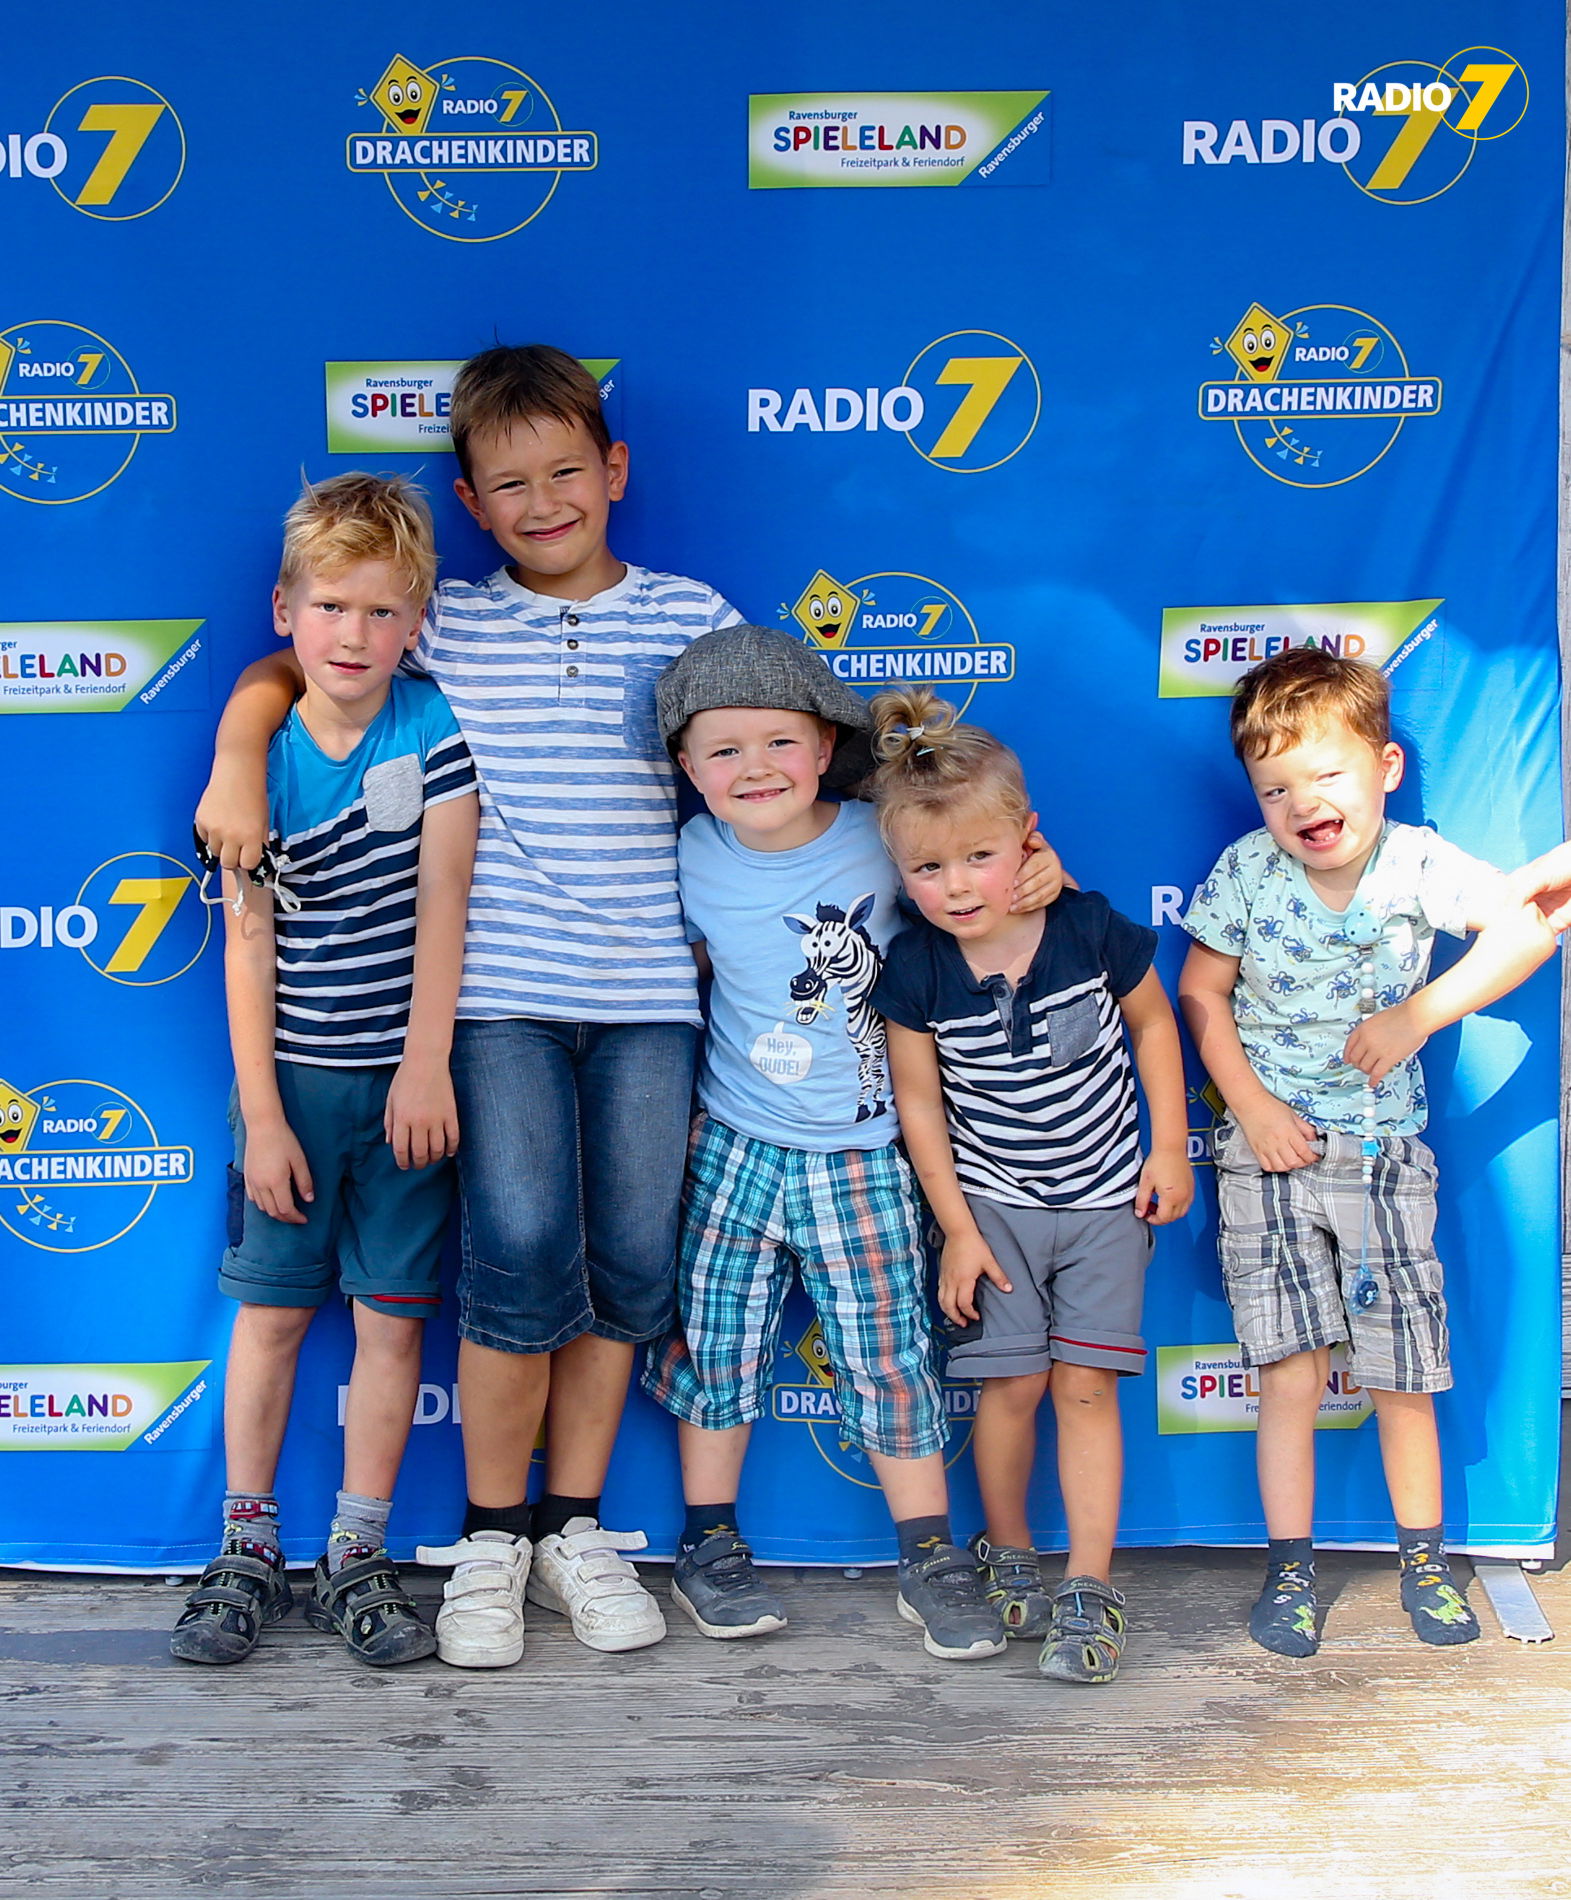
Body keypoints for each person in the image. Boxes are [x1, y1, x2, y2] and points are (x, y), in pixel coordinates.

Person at [193, 345, 739, 1666]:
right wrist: (235, 753)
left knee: (629, 1263)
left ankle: (572, 1526)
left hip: (647, 1000)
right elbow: (302, 660)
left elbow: (782, 744)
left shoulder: (690, 614)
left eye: (566, 472)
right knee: (517, 1256)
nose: (542, 502)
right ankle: (491, 1534)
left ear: (614, 471)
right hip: (494, 1002)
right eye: (509, 483)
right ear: (471, 502)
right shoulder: (443, 620)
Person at [640, 627, 1064, 1659]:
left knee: (887, 1356)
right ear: (687, 768)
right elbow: (685, 974)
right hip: (735, 1141)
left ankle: (928, 1554)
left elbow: (977, 864)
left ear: (826, 747)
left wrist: (1041, 871)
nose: (755, 769)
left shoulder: (882, 833)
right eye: (723, 750)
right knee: (717, 1347)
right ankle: (708, 1541)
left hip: (865, 1148)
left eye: (779, 743)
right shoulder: (688, 854)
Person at [1177, 646, 1556, 1656]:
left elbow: (1524, 933)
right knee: (1287, 1375)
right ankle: (1289, 1567)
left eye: (1325, 775)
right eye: (1274, 789)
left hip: (1382, 1160)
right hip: (1265, 1163)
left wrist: (1414, 1017)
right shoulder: (1244, 872)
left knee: (1400, 1373)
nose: (1302, 803)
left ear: (1384, 768)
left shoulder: (1416, 861)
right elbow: (1200, 991)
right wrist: (1251, 1108)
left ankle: (1422, 1561)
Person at [171, 473, 478, 1667]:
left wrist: (425, 1063)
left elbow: (445, 904)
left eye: (384, 611)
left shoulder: (432, 727)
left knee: (393, 1324)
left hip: (404, 1089)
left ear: (416, 621)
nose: (355, 634)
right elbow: (247, 944)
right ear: (284, 613)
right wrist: (262, 1115)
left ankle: (357, 1550)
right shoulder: (261, 763)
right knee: (272, 1316)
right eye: (332, 607)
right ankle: (245, 1544)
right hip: (291, 1086)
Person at [865, 686, 1192, 1684]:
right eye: (927, 867)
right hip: (994, 1212)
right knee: (1009, 1389)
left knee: (1085, 1389)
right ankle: (1006, 1548)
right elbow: (918, 1107)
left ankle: (1089, 1581)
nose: (956, 885)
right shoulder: (913, 968)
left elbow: (1153, 1024)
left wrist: (1169, 1147)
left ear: (1027, 840)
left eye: (977, 855)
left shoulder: (1086, 927)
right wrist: (957, 1230)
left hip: (1103, 1206)